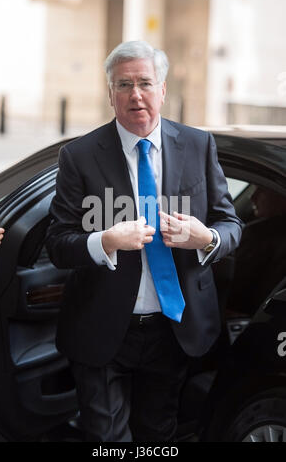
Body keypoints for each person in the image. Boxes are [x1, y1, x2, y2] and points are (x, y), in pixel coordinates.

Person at [46, 40, 242, 442]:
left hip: (174, 330)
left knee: (160, 435)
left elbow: (231, 226)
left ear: (163, 90)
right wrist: (105, 241)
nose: (135, 94)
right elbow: (57, 243)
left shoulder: (198, 145)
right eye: (123, 84)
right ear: (110, 94)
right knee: (106, 439)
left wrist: (203, 237)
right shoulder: (79, 156)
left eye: (145, 83)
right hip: (102, 329)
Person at [227, 186, 286, 315]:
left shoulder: (258, 233)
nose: (252, 197)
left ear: (282, 197)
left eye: (262, 190)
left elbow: (236, 285)